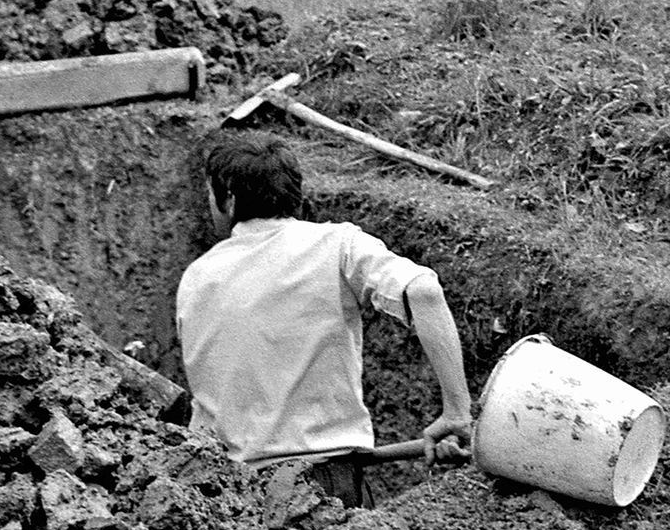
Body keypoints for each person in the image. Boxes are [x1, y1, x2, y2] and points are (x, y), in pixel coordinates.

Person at [176, 130, 474, 508]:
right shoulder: (337, 245)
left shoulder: (196, 278)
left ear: (229, 200)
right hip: (327, 489)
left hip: (233, 499)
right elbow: (424, 292)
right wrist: (456, 412)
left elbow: (207, 404)